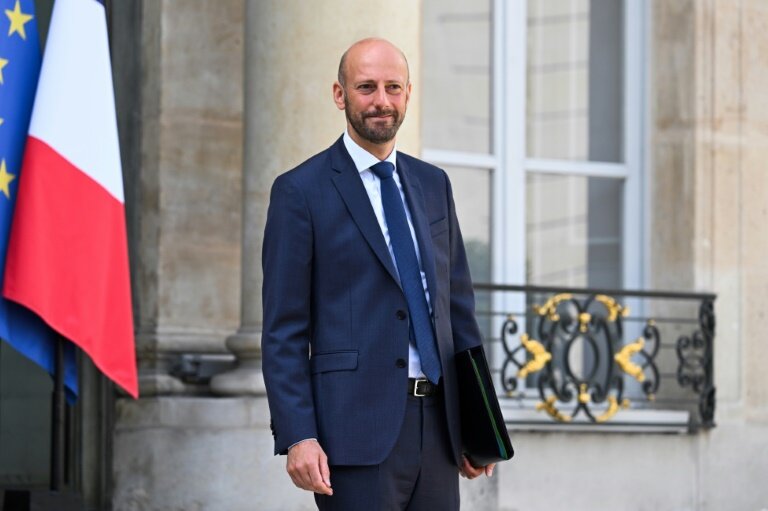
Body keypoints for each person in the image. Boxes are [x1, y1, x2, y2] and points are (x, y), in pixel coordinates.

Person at [262, 37, 495, 510]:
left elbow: (458, 310)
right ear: (339, 94)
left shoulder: (434, 185)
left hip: (439, 428)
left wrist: (476, 423)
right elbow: (283, 330)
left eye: (393, 87)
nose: (381, 101)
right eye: (366, 87)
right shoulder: (299, 192)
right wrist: (298, 434)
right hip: (352, 433)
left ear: (409, 92)